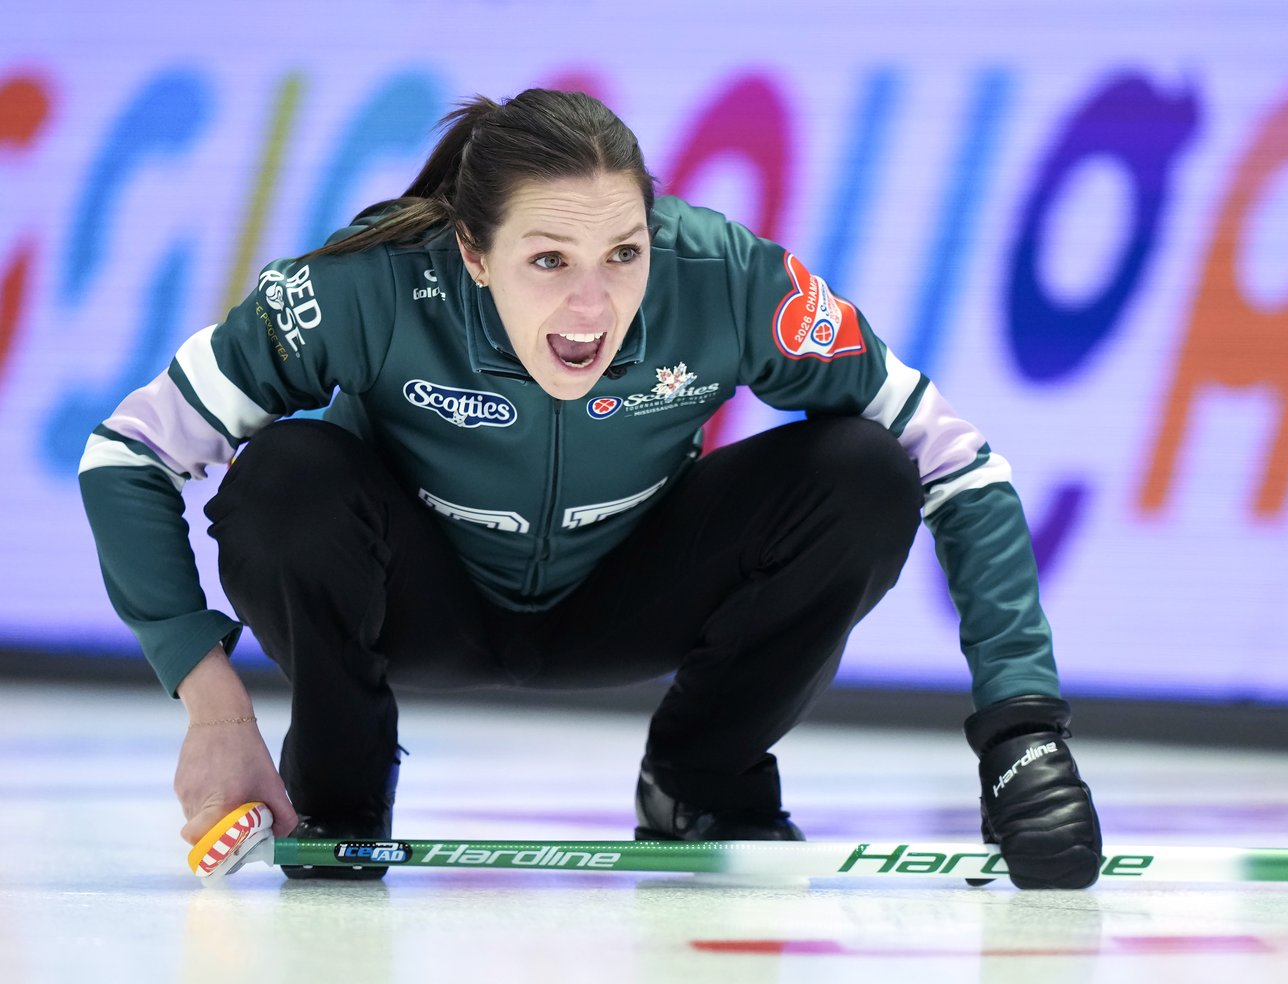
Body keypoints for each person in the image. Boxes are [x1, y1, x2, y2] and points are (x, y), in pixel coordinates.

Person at [78, 88, 1101, 888]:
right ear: (472, 253)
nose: (591, 302)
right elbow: (126, 453)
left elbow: (954, 456)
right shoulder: (363, 291)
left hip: (627, 593)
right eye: (547, 259)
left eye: (623, 253)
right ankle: (340, 783)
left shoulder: (727, 278)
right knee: (285, 479)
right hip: (419, 598)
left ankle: (699, 779)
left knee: (863, 472)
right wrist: (213, 711)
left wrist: (1022, 732)